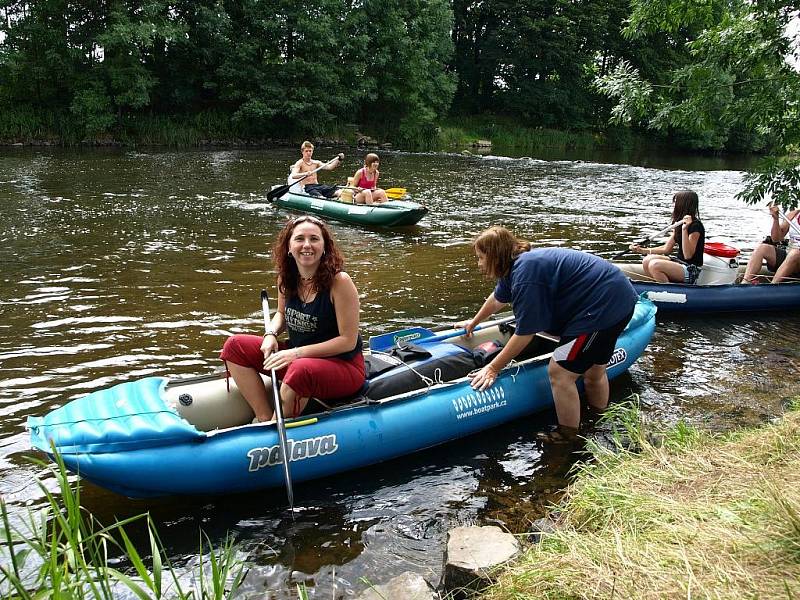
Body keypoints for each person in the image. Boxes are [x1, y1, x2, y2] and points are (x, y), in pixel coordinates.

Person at [464, 226, 638, 440]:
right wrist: (474, 322)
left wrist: (492, 368)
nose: (479, 264)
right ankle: (599, 422)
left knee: (560, 373)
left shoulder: (525, 274)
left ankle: (568, 438)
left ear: (495, 256)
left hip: (602, 308)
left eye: (481, 258)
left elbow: (526, 332)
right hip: (618, 298)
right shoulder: (516, 264)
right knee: (593, 372)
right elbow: (498, 298)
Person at [220, 215, 365, 422]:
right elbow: (281, 314)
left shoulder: (339, 282)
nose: (307, 245)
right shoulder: (287, 277)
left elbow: (347, 341)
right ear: (289, 246)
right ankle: (262, 417)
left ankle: (274, 425)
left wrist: (296, 354)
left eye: (314, 239)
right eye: (299, 239)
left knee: (299, 369)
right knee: (235, 346)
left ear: (325, 246)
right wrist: (270, 333)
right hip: (299, 358)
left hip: (341, 366)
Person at [629, 190, 705, 284]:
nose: (674, 205)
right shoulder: (678, 223)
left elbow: (688, 255)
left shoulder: (695, 226)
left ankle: (669, 290)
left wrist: (685, 229)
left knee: (655, 265)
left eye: (676, 202)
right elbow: (666, 249)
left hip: (691, 269)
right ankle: (659, 283)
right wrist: (642, 250)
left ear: (683, 204)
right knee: (647, 260)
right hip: (679, 262)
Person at [742, 204, 800, 284]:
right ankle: (745, 283)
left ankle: (773, 285)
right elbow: (776, 239)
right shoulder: (793, 215)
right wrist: (775, 219)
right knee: (762, 248)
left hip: (796, 256)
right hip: (789, 256)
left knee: (795, 253)